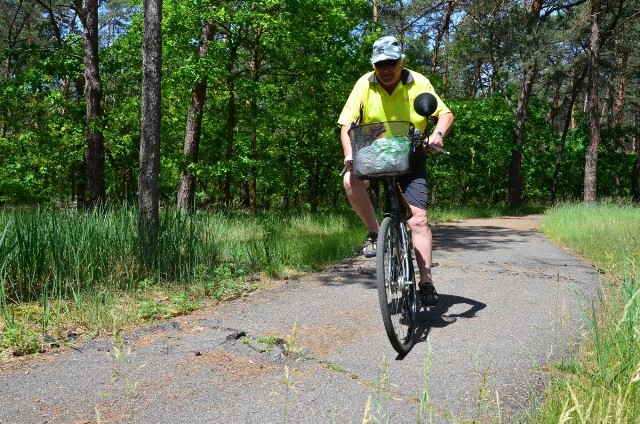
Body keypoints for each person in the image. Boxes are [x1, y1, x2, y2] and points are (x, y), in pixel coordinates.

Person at [337, 35, 454, 306]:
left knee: (418, 220)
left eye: (391, 62)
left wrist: (437, 135)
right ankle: (375, 233)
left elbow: (445, 115)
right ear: (374, 66)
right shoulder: (364, 84)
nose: (386, 69)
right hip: (373, 153)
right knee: (349, 180)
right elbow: (347, 124)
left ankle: (426, 283)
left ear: (401, 61)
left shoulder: (418, 82)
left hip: (411, 154)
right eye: (380, 64)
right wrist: (349, 153)